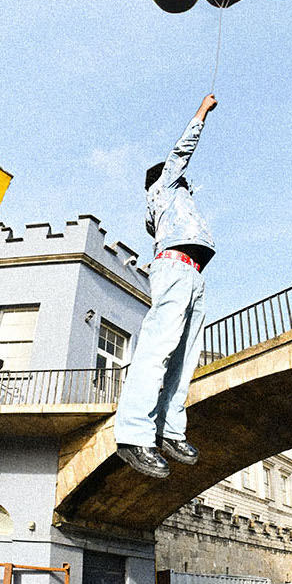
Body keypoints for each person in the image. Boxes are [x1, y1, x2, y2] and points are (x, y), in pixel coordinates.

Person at [114, 94, 218, 479]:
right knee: (158, 348)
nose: (188, 185)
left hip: (194, 274)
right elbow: (181, 152)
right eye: (182, 180)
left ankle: (170, 430)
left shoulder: (176, 200)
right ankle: (133, 434)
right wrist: (202, 112)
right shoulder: (165, 187)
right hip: (174, 267)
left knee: (184, 357)